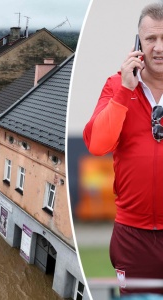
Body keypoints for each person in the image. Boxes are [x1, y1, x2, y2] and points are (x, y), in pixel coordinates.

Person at [83, 2, 163, 296]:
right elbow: (97, 144)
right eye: (151, 39)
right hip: (133, 236)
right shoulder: (116, 85)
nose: (158, 48)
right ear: (137, 43)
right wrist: (125, 91)